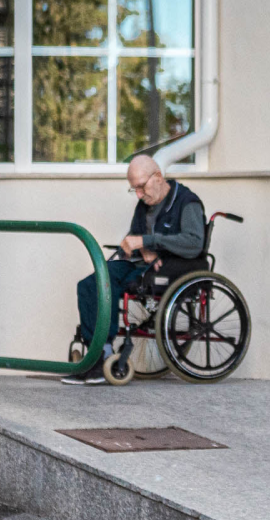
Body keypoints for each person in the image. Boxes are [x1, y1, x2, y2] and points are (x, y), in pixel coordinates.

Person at [62, 155, 206, 385]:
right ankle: (101, 353)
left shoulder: (187, 202)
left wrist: (150, 242)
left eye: (141, 187)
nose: (139, 194)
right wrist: (144, 248)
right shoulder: (144, 205)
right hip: (141, 263)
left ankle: (101, 360)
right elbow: (135, 238)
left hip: (173, 268)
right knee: (91, 284)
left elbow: (193, 243)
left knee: (111, 284)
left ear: (158, 177)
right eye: (134, 189)